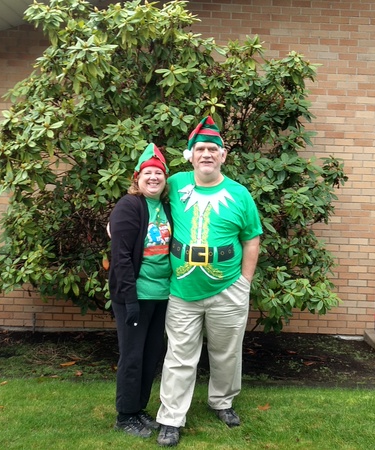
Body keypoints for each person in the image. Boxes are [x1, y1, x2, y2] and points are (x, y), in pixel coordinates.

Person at [156, 116, 263, 447]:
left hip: (228, 288)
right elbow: (144, 202)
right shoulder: (174, 184)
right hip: (183, 291)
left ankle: (223, 402)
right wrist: (119, 224)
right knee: (179, 355)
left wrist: (244, 282)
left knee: (226, 353)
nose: (206, 154)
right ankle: (172, 418)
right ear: (190, 155)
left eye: (212, 149)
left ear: (223, 156)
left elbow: (252, 239)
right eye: (200, 148)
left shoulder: (239, 194)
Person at [108, 143, 173, 438]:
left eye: (158, 173)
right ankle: (125, 416)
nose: (153, 177)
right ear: (138, 177)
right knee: (132, 356)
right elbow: (120, 256)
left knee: (150, 355)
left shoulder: (167, 207)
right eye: (147, 172)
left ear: (165, 178)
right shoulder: (129, 205)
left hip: (162, 295)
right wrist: (129, 300)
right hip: (135, 296)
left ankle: (139, 409)